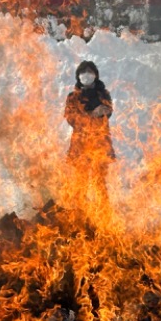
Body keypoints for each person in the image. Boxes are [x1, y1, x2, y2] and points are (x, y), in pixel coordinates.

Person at [64, 60, 114, 215]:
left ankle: (104, 217)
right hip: (81, 145)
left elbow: (108, 111)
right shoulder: (73, 96)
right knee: (81, 181)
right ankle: (80, 215)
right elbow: (71, 118)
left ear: (95, 75)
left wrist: (103, 111)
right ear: (78, 76)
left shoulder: (103, 94)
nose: (87, 75)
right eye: (83, 72)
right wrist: (92, 114)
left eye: (90, 72)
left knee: (100, 182)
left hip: (100, 144)